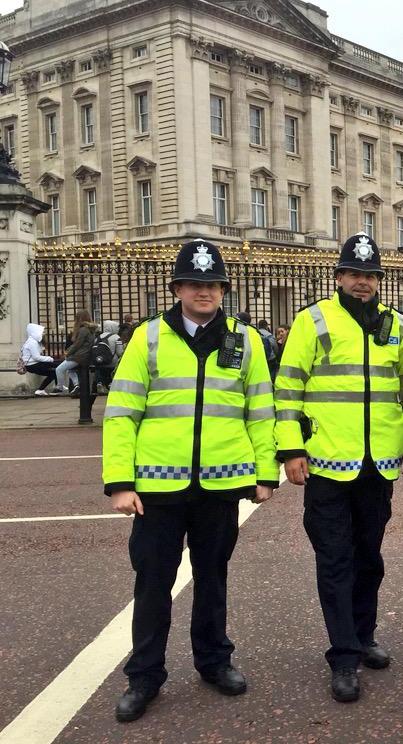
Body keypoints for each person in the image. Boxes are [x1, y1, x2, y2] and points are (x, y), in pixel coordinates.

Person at [103, 239, 277, 723]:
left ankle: (214, 661)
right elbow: (122, 412)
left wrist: (265, 472)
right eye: (195, 283)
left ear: (223, 290)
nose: (205, 291)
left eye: (213, 284)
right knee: (153, 584)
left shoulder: (245, 340)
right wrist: (120, 481)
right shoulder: (148, 337)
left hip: (221, 484)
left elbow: (260, 410)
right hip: (158, 486)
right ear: (177, 288)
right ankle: (144, 675)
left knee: (213, 578)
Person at [274, 234, 403, 703]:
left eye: (370, 275)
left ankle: (363, 635)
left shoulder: (398, 324)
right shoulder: (313, 319)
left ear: (379, 280)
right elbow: (288, 388)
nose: (362, 282)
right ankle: (344, 655)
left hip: (379, 462)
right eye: (354, 273)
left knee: (369, 558)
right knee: (335, 559)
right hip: (328, 461)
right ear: (338, 277)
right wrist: (291, 449)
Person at [56, 309, 98, 394]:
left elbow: (77, 344)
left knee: (59, 369)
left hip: (79, 356)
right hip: (86, 355)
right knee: (70, 370)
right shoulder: (91, 329)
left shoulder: (83, 330)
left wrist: (67, 352)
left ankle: (59, 388)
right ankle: (76, 385)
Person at [21, 323, 58, 395]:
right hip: (33, 365)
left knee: (56, 370)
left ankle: (55, 386)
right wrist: (49, 359)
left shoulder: (33, 341)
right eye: (42, 332)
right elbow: (36, 357)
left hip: (33, 364)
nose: (43, 334)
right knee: (55, 371)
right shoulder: (32, 342)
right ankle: (56, 386)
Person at [93, 319, 125, 393]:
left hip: (100, 361)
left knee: (101, 372)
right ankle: (110, 383)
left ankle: (100, 382)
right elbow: (120, 352)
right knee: (112, 371)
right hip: (112, 362)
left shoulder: (98, 337)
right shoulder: (116, 337)